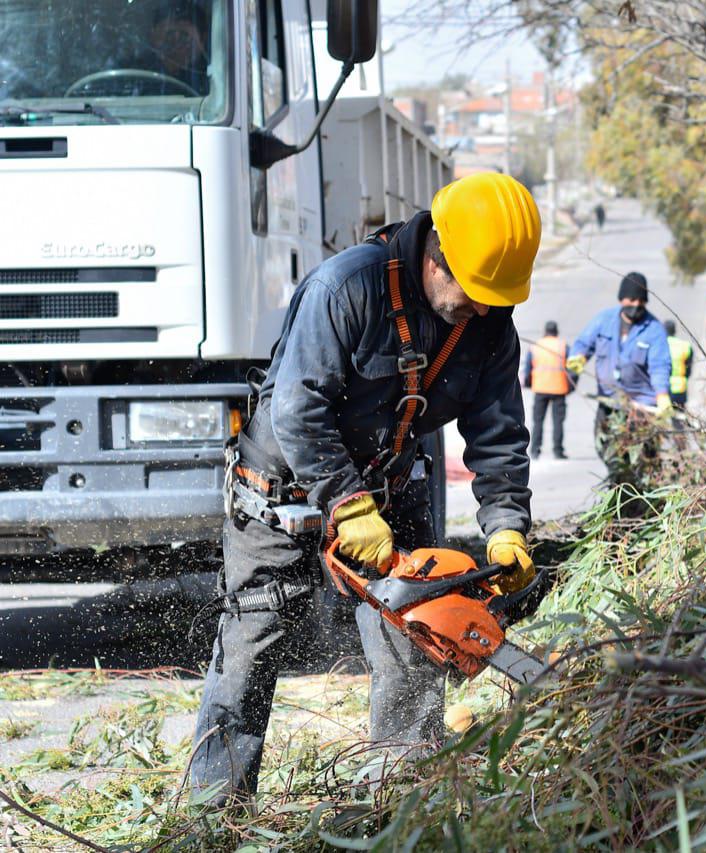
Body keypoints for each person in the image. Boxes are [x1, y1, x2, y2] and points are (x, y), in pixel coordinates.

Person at [190, 172, 542, 806]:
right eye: (473, 291)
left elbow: (499, 433)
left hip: (393, 488)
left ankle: (400, 809)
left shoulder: (490, 323)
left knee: (415, 644)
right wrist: (347, 504)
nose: (483, 308)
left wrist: (507, 525)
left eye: (495, 298)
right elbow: (299, 410)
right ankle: (212, 818)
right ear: (437, 253)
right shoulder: (346, 287)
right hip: (284, 490)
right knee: (248, 651)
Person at [566, 272, 672, 484]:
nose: (636, 305)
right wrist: (577, 359)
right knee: (606, 449)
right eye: (632, 300)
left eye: (641, 301)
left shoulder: (654, 329)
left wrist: (662, 395)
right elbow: (584, 343)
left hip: (641, 408)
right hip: (610, 402)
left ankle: (642, 496)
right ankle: (619, 485)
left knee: (642, 457)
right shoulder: (603, 320)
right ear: (622, 299)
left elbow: (660, 365)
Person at [522, 320, 571, 460]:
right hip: (559, 388)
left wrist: (528, 383)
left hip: (540, 388)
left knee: (538, 421)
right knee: (558, 422)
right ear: (556, 332)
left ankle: (535, 450)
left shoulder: (536, 346)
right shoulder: (563, 346)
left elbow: (528, 369)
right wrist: (570, 387)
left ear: (545, 331)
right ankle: (558, 451)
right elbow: (571, 368)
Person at [664, 319, 694, 410]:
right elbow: (688, 369)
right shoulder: (685, 346)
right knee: (679, 418)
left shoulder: (659, 345)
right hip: (680, 387)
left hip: (663, 387)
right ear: (675, 331)